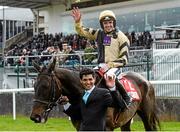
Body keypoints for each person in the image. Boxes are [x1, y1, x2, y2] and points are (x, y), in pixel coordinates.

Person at [71, 7, 131, 111]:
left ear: (114, 23)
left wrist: (110, 65)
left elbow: (124, 59)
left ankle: (125, 101)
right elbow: (82, 31)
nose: (108, 25)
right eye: (105, 23)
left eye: (110, 22)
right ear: (102, 24)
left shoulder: (122, 37)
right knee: (87, 78)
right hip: (100, 66)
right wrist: (78, 22)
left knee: (109, 76)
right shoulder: (99, 33)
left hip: (115, 67)